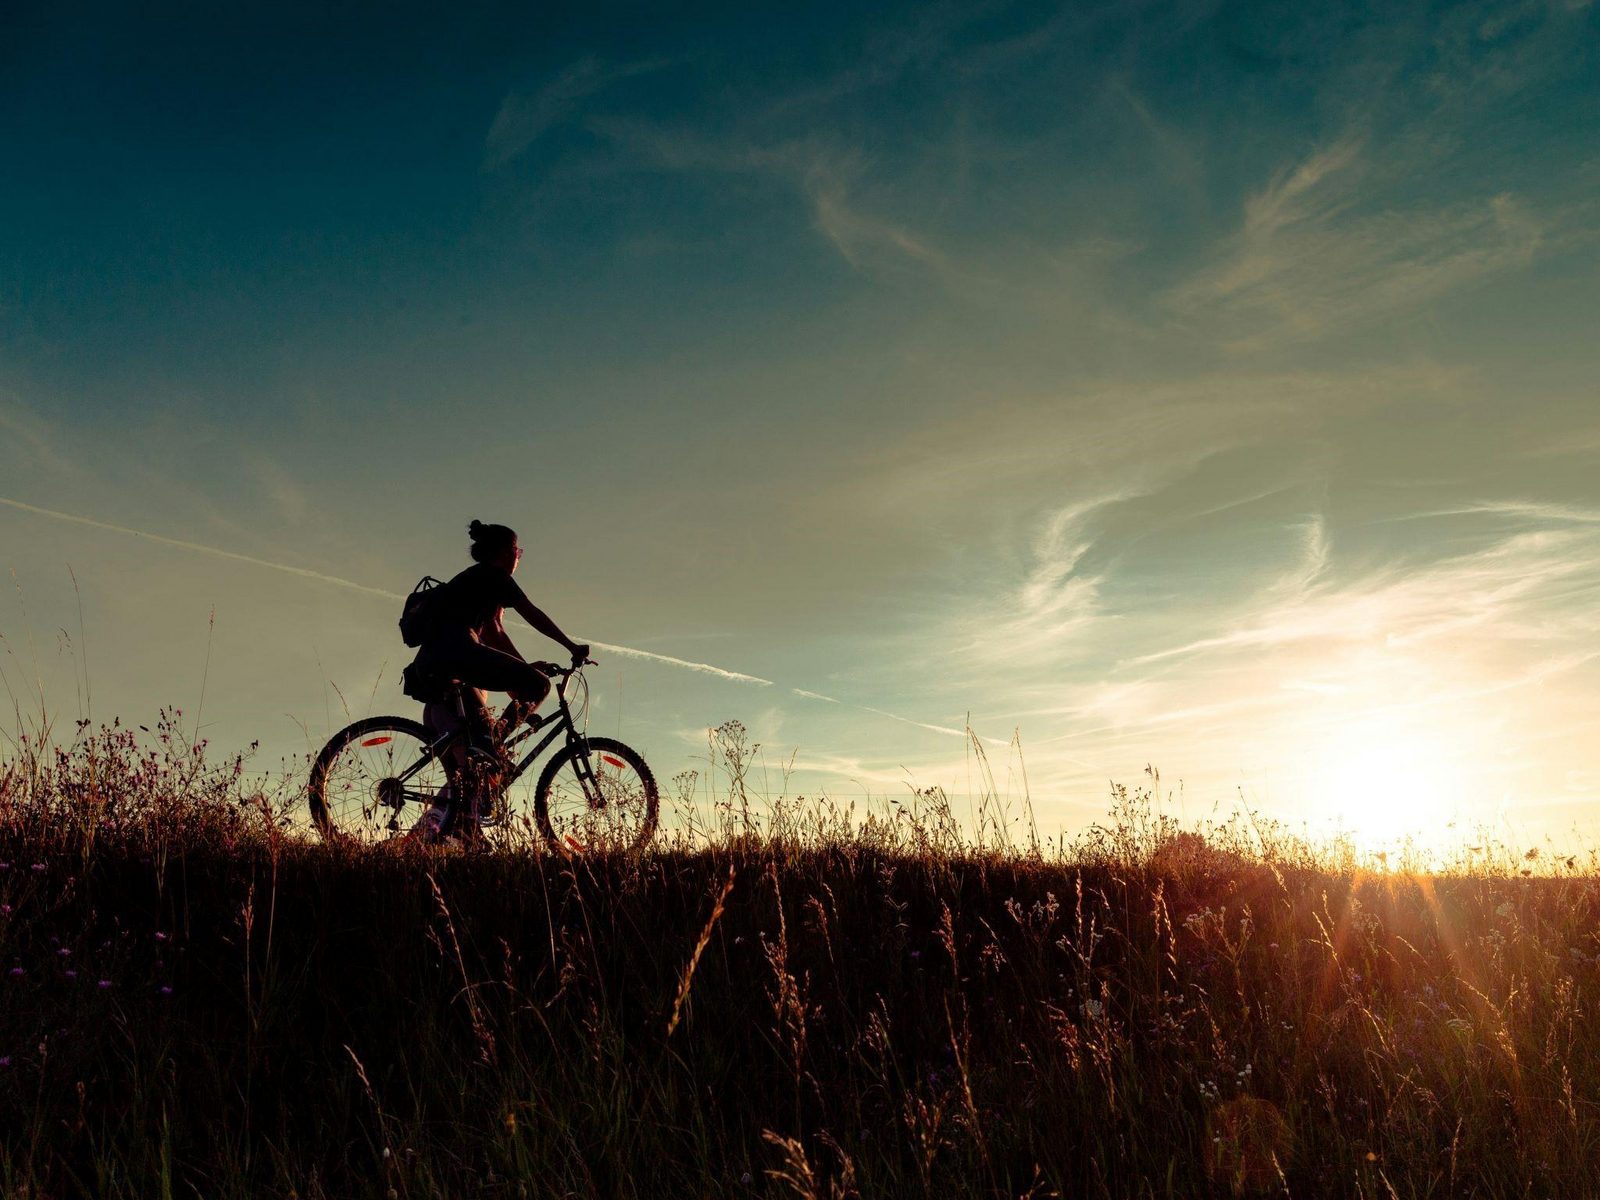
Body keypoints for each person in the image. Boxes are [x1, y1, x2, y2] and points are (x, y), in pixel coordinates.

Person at [404, 520, 589, 841]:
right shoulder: (495, 576)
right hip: (458, 653)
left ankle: (460, 826)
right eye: (518, 551)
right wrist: (571, 646)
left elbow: (494, 634)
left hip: (432, 663)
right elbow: (532, 613)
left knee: (469, 770)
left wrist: (522, 669)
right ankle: (494, 746)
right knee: (539, 688)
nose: (519, 557)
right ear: (506, 553)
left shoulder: (474, 584)